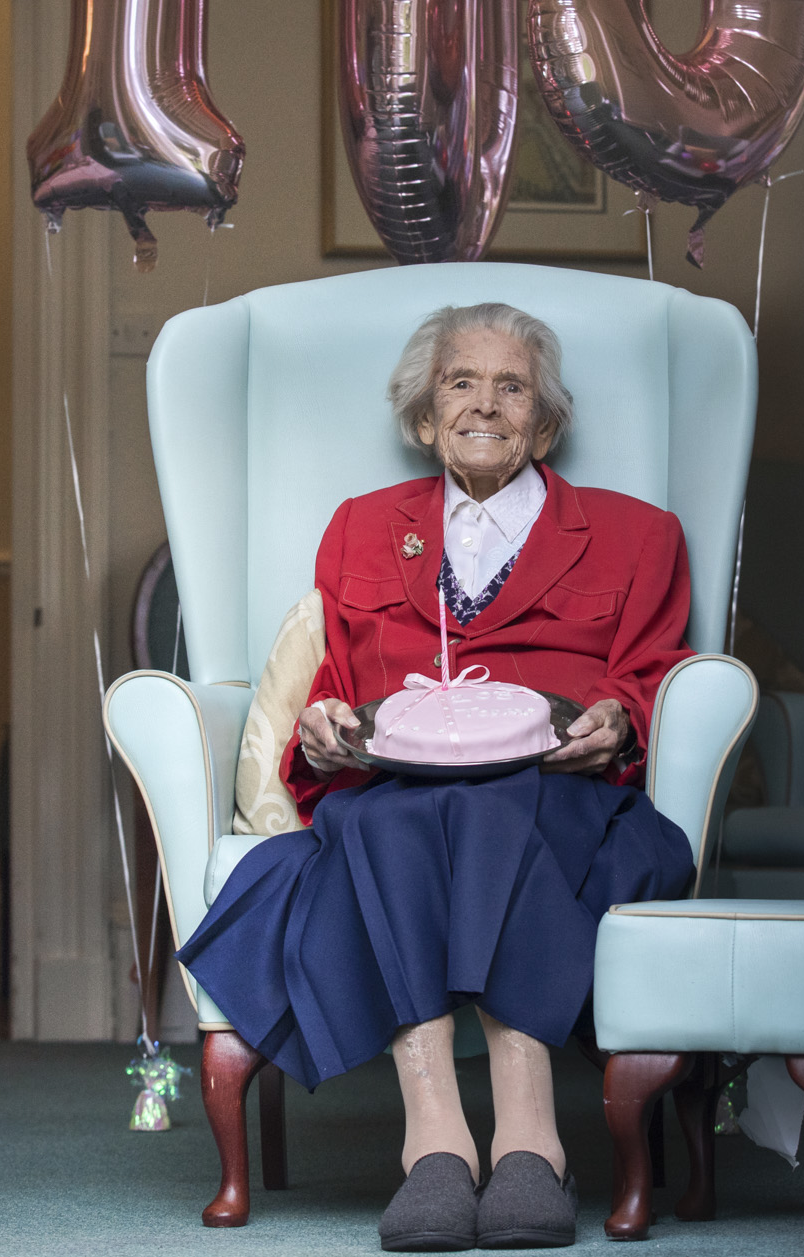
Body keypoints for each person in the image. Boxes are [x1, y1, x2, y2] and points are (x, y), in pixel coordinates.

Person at [177, 302, 699, 1252]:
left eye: (512, 386)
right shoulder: (361, 527)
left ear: (545, 424)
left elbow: (653, 673)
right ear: (424, 418)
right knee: (390, 821)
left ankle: (529, 1139)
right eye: (461, 382)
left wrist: (618, 720)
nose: (484, 404)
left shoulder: (638, 534)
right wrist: (324, 728)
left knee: (493, 810)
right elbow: (336, 682)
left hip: (562, 795)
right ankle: (437, 1144)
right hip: (395, 793)